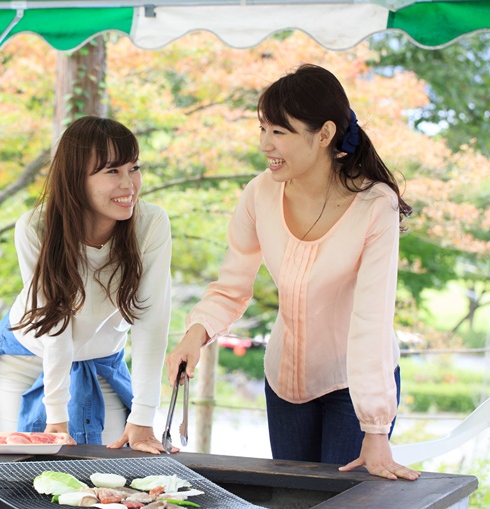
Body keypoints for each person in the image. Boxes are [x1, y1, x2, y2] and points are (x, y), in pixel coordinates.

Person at [165, 64, 420, 481]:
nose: (266, 144)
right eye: (262, 128)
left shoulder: (375, 205)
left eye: (279, 132)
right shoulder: (259, 192)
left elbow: (371, 320)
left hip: (352, 387)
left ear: (324, 134)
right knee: (295, 503)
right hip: (284, 384)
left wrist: (375, 427)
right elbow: (232, 286)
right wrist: (195, 335)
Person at [0, 116, 173, 454]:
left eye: (133, 168)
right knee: (35, 470)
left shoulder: (151, 224)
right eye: (112, 172)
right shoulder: (35, 228)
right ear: (77, 179)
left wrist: (144, 417)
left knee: (113, 468)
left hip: (103, 360)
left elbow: (152, 321)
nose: (129, 184)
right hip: (28, 358)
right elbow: (56, 325)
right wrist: (57, 418)